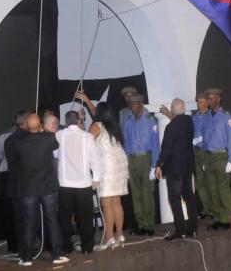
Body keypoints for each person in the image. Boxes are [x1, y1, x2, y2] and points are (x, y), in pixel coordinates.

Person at [15, 113, 68, 266]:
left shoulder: (19, 143)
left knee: (29, 222)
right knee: (52, 220)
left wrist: (36, 129)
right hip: (48, 187)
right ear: (40, 126)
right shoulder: (49, 138)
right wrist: (43, 129)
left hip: (29, 189)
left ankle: (26, 258)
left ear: (26, 126)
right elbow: (55, 144)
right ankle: (57, 255)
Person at [55, 110, 100, 255]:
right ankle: (87, 247)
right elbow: (94, 159)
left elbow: (54, 153)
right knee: (85, 218)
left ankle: (65, 247)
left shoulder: (59, 135)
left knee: (65, 219)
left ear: (66, 121)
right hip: (84, 184)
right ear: (79, 120)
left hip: (65, 184)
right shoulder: (87, 137)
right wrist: (96, 178)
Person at [87, 101, 129, 251]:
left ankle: (108, 238)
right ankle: (119, 235)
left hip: (107, 166)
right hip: (120, 165)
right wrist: (86, 100)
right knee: (116, 202)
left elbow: (85, 142)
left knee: (106, 204)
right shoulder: (114, 126)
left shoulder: (96, 126)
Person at [155, 98, 198, 240]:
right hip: (187, 166)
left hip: (175, 169)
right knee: (189, 196)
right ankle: (193, 228)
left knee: (174, 198)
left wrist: (159, 164)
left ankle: (181, 230)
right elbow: (178, 120)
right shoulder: (189, 122)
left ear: (173, 110)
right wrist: (168, 113)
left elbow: (166, 149)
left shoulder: (171, 127)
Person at [121, 93, 160, 235]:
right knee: (136, 194)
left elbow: (156, 144)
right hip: (132, 159)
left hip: (147, 158)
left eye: (135, 104)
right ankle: (141, 224)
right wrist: (125, 163)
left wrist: (155, 165)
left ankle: (149, 224)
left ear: (141, 104)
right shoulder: (128, 122)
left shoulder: (151, 121)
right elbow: (125, 144)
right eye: (131, 104)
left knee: (147, 193)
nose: (133, 107)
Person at [0, 111, 26, 253]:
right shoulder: (8, 137)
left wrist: (3, 159)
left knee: (12, 211)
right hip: (13, 175)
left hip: (8, 174)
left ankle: (16, 245)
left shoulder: (4, 136)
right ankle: (17, 244)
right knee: (15, 211)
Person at [202, 88, 231, 230]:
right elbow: (205, 138)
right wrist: (204, 159)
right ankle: (217, 218)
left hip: (222, 156)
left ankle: (226, 219)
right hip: (209, 156)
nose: (208, 102)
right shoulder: (207, 116)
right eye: (207, 99)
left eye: (211, 99)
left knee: (223, 189)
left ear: (218, 99)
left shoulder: (226, 117)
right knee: (212, 189)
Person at [0, 110, 30, 254]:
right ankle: (27, 248)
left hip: (14, 185)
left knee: (18, 219)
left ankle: (20, 248)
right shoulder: (28, 139)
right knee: (29, 219)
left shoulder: (8, 140)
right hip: (27, 185)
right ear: (26, 121)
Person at [192, 92, 214, 220]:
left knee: (209, 180)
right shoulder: (195, 117)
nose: (200, 104)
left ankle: (213, 209)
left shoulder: (210, 116)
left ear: (207, 103)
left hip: (207, 150)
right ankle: (206, 208)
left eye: (202, 102)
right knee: (200, 182)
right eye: (198, 102)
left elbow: (211, 133)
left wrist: (200, 139)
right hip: (197, 151)